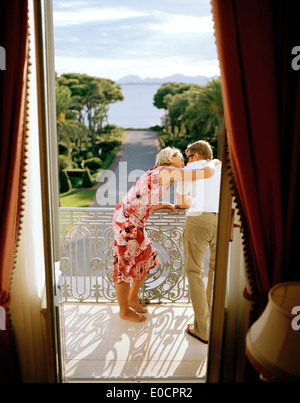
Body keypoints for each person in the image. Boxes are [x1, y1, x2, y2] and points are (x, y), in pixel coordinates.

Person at [112, 146, 219, 322]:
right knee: (125, 265)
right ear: (169, 157)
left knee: (147, 258)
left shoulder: (158, 172)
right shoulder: (167, 171)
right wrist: (214, 161)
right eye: (179, 156)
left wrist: (160, 204)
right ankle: (124, 311)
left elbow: (140, 196)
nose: (183, 159)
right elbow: (206, 173)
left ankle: (132, 299)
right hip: (127, 223)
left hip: (132, 221)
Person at [176, 140, 222, 343]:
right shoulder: (220, 166)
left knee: (195, 272)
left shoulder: (190, 169)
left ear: (195, 156)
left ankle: (202, 329)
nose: (187, 160)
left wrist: (193, 201)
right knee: (214, 270)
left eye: (189, 156)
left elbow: (180, 200)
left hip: (198, 219)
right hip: (220, 219)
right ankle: (210, 323)